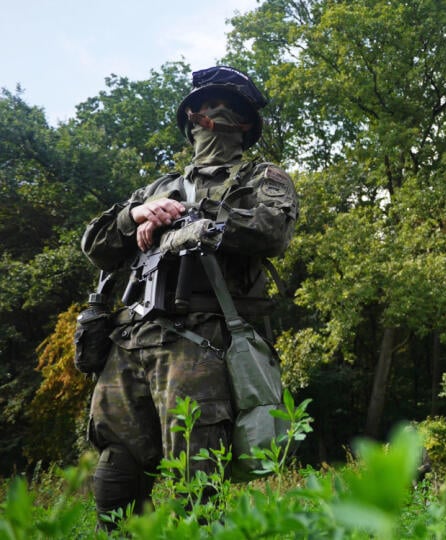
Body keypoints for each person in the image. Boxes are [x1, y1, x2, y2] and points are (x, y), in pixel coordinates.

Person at [80, 65, 299, 529]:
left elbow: (272, 230)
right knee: (116, 468)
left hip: (200, 340)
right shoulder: (159, 187)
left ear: (244, 123)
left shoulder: (261, 176)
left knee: (196, 473)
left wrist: (203, 226)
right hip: (131, 340)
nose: (216, 112)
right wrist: (135, 214)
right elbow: (95, 246)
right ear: (191, 118)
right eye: (206, 105)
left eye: (230, 106)